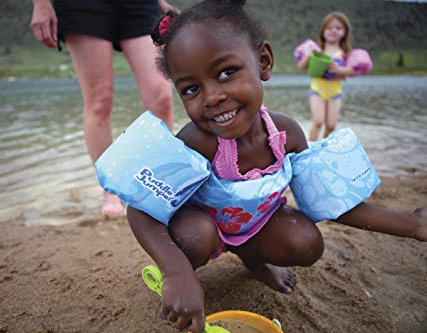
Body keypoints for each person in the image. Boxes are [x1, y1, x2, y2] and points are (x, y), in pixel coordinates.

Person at [122, 1, 427, 332]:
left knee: (307, 242)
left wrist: (412, 225)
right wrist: (176, 272)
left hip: (253, 226)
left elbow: (332, 201)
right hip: (201, 229)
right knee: (197, 236)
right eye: (192, 89)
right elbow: (141, 210)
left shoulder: (286, 134)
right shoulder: (196, 142)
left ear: (263, 61)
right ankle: (184, 277)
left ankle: (253, 259)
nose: (211, 97)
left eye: (226, 73)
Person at [31, 0, 177, 216]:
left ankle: (162, 182)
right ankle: (112, 190)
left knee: (161, 98)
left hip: (139, 5)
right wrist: (41, 4)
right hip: (83, 7)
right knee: (100, 102)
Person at [296, 12, 355, 141]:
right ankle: (310, 150)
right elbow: (301, 67)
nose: (333, 30)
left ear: (344, 32)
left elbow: (352, 71)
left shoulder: (345, 54)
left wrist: (340, 69)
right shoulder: (317, 50)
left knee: (331, 126)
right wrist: (309, 55)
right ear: (323, 32)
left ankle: (324, 147)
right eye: (329, 28)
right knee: (318, 122)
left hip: (335, 92)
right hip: (318, 89)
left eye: (338, 28)